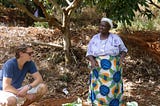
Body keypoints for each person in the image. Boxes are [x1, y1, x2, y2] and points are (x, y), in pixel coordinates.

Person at [86, 17, 128, 106]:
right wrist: (92, 60)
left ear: (109, 28)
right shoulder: (95, 38)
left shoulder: (115, 38)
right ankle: (98, 103)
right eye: (100, 25)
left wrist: (121, 59)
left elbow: (124, 50)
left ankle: (113, 103)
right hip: (97, 68)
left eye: (104, 26)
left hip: (113, 68)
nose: (101, 27)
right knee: (98, 87)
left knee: (112, 86)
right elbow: (89, 52)